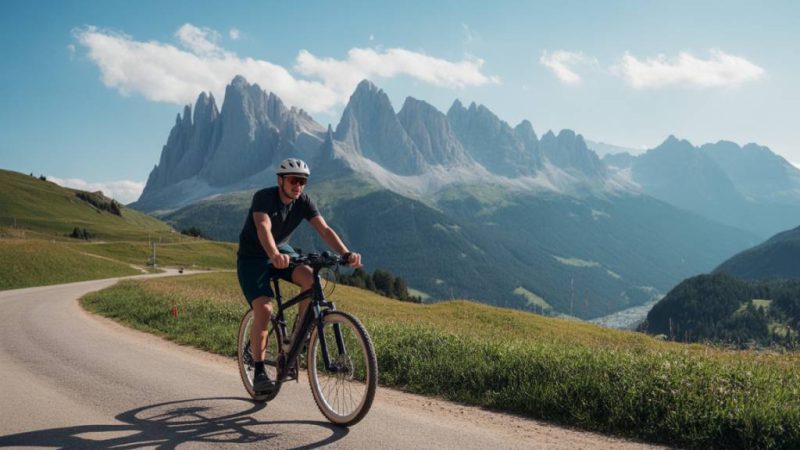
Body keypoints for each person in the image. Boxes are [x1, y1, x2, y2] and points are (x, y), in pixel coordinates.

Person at [236, 158, 362, 393]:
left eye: (303, 181)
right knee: (264, 309)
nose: (298, 186)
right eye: (294, 180)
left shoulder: (303, 201)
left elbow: (324, 229)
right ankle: (260, 370)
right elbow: (263, 227)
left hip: (281, 250)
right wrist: (273, 254)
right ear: (280, 180)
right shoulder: (263, 197)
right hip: (253, 257)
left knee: (312, 281)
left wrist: (345, 254)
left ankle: (296, 337)